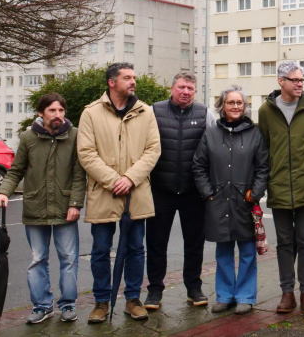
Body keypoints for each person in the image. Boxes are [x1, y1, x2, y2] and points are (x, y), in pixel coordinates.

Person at [77, 62, 161, 323]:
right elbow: (86, 153)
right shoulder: (90, 113)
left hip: (136, 193)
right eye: (127, 77)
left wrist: (130, 178)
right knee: (101, 249)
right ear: (111, 82)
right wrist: (114, 180)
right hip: (104, 193)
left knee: (136, 248)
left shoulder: (145, 112)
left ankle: (133, 299)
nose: (133, 81)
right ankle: (101, 302)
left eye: (134, 77)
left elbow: (153, 150)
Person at [0, 93, 86, 324]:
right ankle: (42, 306)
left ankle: (68, 304)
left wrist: (75, 203)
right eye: (52, 111)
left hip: (66, 208)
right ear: (41, 113)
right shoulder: (28, 137)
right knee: (37, 259)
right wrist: (3, 191)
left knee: (68, 258)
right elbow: (16, 170)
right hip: (35, 208)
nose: (57, 115)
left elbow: (78, 174)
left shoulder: (74, 136)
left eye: (61, 111)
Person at [192, 85, 270, 315]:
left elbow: (263, 168)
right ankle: (225, 296)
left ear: (244, 107)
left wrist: (255, 193)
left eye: (239, 103)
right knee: (223, 251)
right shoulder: (211, 134)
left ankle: (245, 296)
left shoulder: (255, 133)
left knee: (247, 251)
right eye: (230, 102)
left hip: (244, 202)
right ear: (222, 106)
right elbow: (199, 166)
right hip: (217, 201)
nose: (235, 106)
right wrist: (207, 193)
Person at [258, 61, 304, 315]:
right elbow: (263, 148)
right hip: (278, 186)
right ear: (281, 81)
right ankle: (287, 292)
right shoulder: (266, 111)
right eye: (295, 80)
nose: (300, 84)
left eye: (302, 80)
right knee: (285, 242)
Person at [144, 72, 215, 311]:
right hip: (160, 190)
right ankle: (154, 291)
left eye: (191, 89)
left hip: (192, 192)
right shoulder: (154, 111)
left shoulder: (205, 114)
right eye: (182, 87)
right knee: (156, 243)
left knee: (194, 243)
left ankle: (194, 288)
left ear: (195, 91)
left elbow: (213, 149)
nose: (186, 92)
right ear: (172, 88)